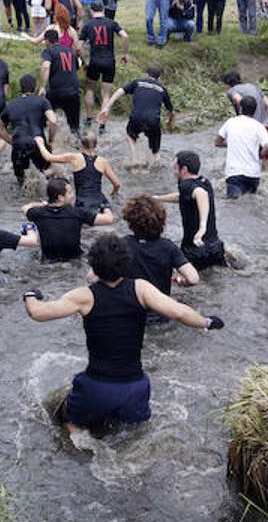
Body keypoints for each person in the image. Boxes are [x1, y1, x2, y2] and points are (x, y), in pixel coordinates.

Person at [22, 235, 223, 434]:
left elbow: (38, 313)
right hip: (135, 388)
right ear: (127, 263)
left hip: (96, 386)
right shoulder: (140, 289)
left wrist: (30, 295)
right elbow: (179, 312)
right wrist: (207, 322)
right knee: (134, 435)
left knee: (73, 425)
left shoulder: (84, 296)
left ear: (93, 264)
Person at [121, 195, 200, 303]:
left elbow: (93, 278)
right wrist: (181, 282)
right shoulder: (168, 247)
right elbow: (193, 279)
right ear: (161, 220)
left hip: (131, 308)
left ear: (130, 221)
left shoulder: (122, 244)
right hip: (161, 309)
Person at [155, 151, 225, 269]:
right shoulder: (204, 182)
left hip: (194, 250)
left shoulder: (187, 185)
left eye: (175, 168)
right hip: (215, 246)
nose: (174, 173)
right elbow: (183, 197)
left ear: (184, 169)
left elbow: (200, 194)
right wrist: (157, 198)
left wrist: (202, 227)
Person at [22, 178, 116, 262]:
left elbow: (25, 208)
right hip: (75, 260)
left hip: (48, 261)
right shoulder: (77, 213)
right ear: (60, 198)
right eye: (70, 192)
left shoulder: (39, 214)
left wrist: (42, 204)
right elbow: (109, 220)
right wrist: (105, 206)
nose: (73, 195)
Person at [99, 66, 175, 163]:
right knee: (155, 152)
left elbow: (120, 91)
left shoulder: (138, 82)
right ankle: (155, 167)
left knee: (130, 136)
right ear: (158, 78)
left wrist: (107, 107)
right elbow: (171, 111)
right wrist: (169, 122)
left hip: (137, 118)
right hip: (153, 121)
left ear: (146, 74)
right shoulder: (162, 89)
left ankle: (134, 157)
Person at [35, 130, 123, 213]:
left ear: (80, 144)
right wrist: (113, 193)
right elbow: (117, 184)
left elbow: (49, 157)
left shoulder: (74, 157)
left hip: (83, 203)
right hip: (101, 202)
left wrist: (40, 144)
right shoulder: (103, 161)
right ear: (96, 144)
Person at [0, 75, 58, 186]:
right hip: (38, 142)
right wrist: (50, 140)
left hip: (19, 143)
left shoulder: (12, 104)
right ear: (35, 87)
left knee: (21, 181)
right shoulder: (42, 101)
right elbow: (53, 121)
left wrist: (11, 141)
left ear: (21, 88)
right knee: (47, 176)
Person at [78, 1, 129, 127]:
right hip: (109, 61)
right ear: (103, 9)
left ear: (91, 10)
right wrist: (125, 54)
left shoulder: (88, 25)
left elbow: (80, 46)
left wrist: (85, 60)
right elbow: (125, 36)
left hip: (95, 61)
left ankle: (89, 119)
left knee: (89, 89)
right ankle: (102, 124)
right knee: (106, 94)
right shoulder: (111, 22)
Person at [216, 95, 268, 198]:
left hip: (235, 173)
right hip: (253, 174)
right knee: (251, 205)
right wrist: (260, 154)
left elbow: (218, 142)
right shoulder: (259, 126)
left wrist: (232, 143)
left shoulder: (231, 122)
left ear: (240, 108)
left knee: (234, 207)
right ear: (255, 111)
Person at [222, 70, 268, 171]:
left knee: (242, 163)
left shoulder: (231, 91)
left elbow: (239, 101)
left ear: (226, 84)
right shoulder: (253, 87)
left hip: (248, 131)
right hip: (265, 128)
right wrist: (260, 122)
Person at [39, 27, 82, 141]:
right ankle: (80, 147)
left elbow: (46, 66)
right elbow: (76, 68)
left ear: (48, 41)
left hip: (56, 92)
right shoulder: (70, 51)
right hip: (73, 92)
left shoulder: (48, 51)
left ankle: (45, 142)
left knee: (42, 117)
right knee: (75, 127)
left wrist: (42, 87)